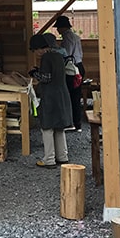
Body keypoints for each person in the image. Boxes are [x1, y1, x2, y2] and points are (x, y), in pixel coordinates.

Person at [28, 34, 73, 169]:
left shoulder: (46, 57)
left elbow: (46, 78)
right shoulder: (58, 55)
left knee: (47, 127)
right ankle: (62, 156)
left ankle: (49, 159)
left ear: (40, 49)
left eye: (35, 51)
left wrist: (34, 73)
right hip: (62, 94)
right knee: (59, 127)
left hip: (51, 96)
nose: (36, 54)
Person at [54, 15, 84, 131]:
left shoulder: (67, 38)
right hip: (79, 66)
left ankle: (71, 123)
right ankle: (77, 124)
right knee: (75, 97)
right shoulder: (76, 36)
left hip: (71, 69)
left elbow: (66, 54)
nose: (57, 30)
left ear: (62, 27)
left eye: (58, 27)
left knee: (69, 97)